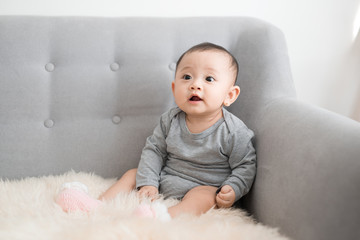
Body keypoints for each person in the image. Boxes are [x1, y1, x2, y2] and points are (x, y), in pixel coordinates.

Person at [56, 42, 256, 220]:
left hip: (203, 186)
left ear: (230, 95)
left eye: (209, 79)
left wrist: (234, 188)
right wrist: (148, 183)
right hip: (165, 178)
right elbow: (155, 151)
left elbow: (245, 165)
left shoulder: (234, 131)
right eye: (186, 77)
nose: (195, 85)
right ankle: (95, 205)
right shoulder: (170, 119)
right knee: (132, 174)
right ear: (174, 87)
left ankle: (163, 218)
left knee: (204, 197)